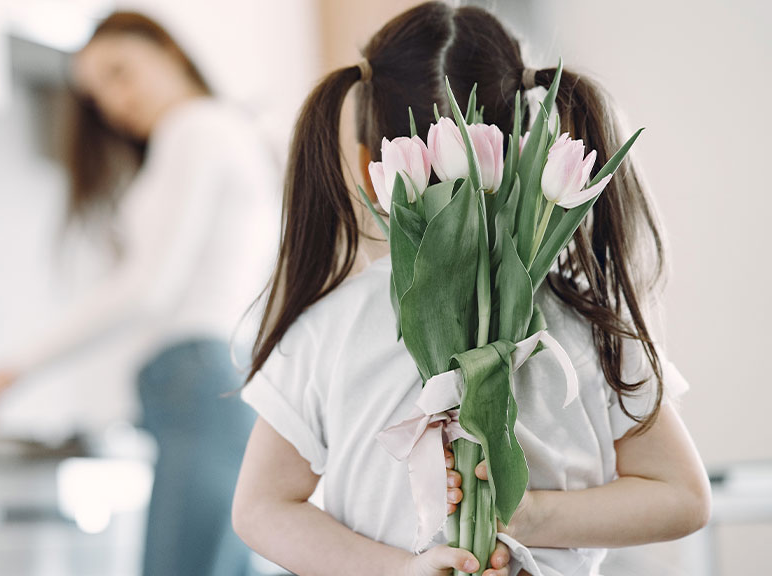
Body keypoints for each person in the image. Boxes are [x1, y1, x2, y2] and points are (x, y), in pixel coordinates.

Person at [230, 3, 710, 576]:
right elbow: (680, 494)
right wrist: (522, 519)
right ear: (524, 149)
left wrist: (514, 518)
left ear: (370, 170)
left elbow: (262, 507)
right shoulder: (588, 322)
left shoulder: (325, 328)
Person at [0, 11, 280, 576]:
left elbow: (150, 290)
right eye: (96, 94)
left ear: (169, 52)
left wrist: (12, 370)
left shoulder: (195, 127)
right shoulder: (228, 132)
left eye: (120, 72)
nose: (112, 101)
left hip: (199, 381)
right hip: (222, 381)